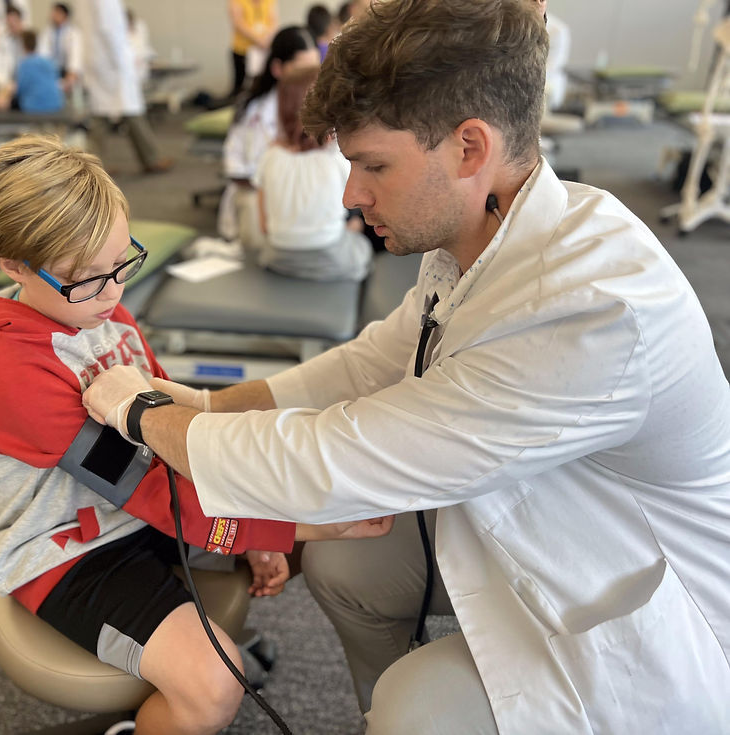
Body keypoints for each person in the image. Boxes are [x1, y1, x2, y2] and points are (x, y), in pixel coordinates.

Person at [82, 0, 730, 733]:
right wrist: (203, 402)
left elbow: (336, 458)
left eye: (372, 166)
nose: (352, 195)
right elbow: (374, 362)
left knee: (414, 708)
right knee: (347, 564)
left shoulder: (591, 310)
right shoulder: (481, 233)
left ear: (469, 148)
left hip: (644, 625)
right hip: (545, 515)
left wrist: (139, 412)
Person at [0, 134, 390, 735]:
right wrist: (279, 524)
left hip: (143, 514)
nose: (114, 293)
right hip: (74, 552)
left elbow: (172, 430)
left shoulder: (101, 311)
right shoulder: (14, 373)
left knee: (302, 518)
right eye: (86, 279)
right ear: (11, 265)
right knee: (213, 687)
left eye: (121, 265)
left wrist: (264, 529)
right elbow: (148, 487)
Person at [254, 65, 370, 281]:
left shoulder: (269, 157)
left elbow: (263, 226)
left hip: (276, 258)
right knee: (361, 236)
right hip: (330, 258)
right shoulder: (337, 157)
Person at [218, 25, 319, 245]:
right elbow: (234, 166)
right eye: (302, 70)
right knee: (257, 211)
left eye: (314, 69)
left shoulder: (324, 106)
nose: (311, 79)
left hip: (308, 191)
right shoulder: (254, 110)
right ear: (278, 68)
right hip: (260, 194)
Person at [73, 0, 174, 175]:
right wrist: (124, 62)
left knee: (103, 114)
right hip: (112, 63)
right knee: (128, 111)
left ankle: (92, 164)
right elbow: (110, 30)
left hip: (97, 59)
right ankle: (149, 159)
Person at [227, 0, 277, 99]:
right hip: (242, 50)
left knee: (263, 84)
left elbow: (274, 22)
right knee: (241, 88)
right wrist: (258, 40)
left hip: (264, 50)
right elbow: (238, 23)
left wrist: (267, 39)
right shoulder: (236, 2)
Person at [36, 2, 82, 98]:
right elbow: (42, 54)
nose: (53, 15)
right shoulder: (47, 32)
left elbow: (75, 56)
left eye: (56, 12)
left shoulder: (73, 33)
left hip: (67, 71)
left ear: (64, 15)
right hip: (52, 72)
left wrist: (71, 74)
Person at [0, 2, 27, 111]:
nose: (12, 25)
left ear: (20, 20)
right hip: (5, 87)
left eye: (14, 21)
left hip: (23, 87)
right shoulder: (1, 40)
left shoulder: (27, 40)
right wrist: (5, 86)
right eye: (9, 22)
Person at [15, 30, 63, 112]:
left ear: (23, 45)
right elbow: (57, 82)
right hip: (56, 105)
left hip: (33, 106)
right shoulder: (49, 61)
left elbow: (20, 89)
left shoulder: (25, 64)